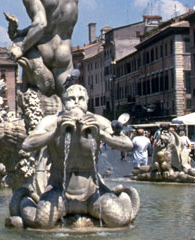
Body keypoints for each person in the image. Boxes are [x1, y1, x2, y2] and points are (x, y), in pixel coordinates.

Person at [19, 84, 136, 228]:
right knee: (42, 222)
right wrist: (55, 133)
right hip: (59, 191)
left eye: (81, 98)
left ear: (87, 101)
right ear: (64, 102)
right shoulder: (51, 121)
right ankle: (24, 202)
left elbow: (127, 144)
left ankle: (124, 197)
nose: (76, 102)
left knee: (118, 220)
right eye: (71, 99)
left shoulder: (98, 121)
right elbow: (27, 144)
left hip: (93, 192)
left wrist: (101, 135)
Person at [5, 0, 78, 96]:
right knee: (68, 102)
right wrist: (22, 31)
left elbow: (41, 24)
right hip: (64, 53)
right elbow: (52, 23)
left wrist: (22, 47)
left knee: (33, 103)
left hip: (44, 54)